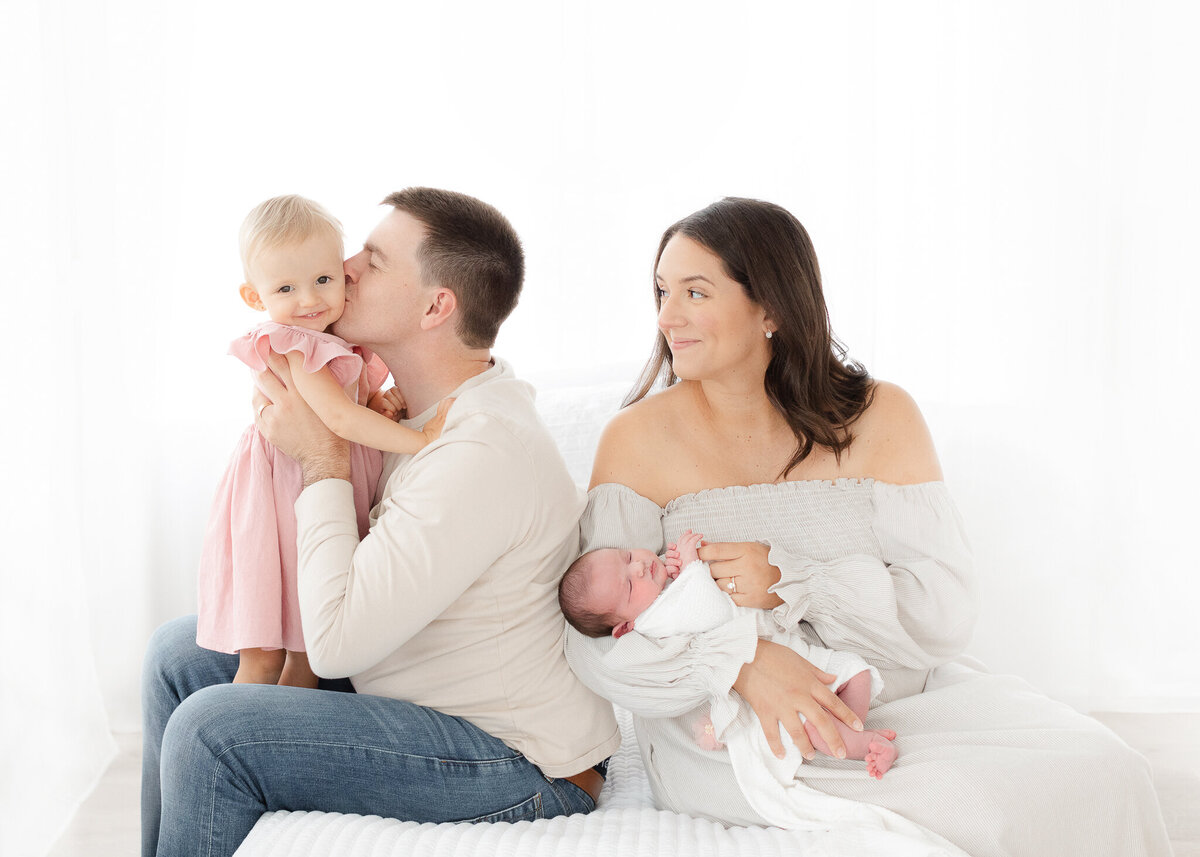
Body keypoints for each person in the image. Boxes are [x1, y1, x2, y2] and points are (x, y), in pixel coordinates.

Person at [563, 197, 1173, 856]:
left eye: (694, 291)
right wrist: (742, 662)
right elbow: (595, 640)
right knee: (981, 813)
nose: (665, 317)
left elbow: (941, 615)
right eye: (661, 291)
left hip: (899, 695)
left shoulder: (883, 417)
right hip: (742, 731)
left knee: (1109, 773)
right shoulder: (638, 439)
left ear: (770, 306)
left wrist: (795, 580)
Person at [142, 188, 620, 857]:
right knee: (177, 656)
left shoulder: (478, 451)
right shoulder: (425, 407)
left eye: (373, 257)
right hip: (414, 691)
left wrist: (321, 457)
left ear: (435, 305)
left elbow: (334, 644)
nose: (347, 266)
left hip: (519, 759)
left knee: (211, 728)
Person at [195, 194, 449, 688]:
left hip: (315, 487)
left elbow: (352, 409)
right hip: (286, 492)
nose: (309, 300)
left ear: (342, 275)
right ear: (255, 297)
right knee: (266, 656)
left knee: (309, 652)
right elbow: (337, 417)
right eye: (286, 287)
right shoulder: (294, 343)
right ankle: (243, 735)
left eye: (323, 280)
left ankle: (276, 749)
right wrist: (421, 440)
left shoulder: (338, 343)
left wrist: (378, 404)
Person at [560, 528, 897, 778]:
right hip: (770, 671)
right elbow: (709, 610)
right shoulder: (651, 621)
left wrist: (673, 572)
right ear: (625, 627)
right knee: (811, 724)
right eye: (630, 585)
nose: (638, 568)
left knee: (857, 672)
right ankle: (862, 745)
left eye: (627, 557)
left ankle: (854, 725)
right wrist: (691, 567)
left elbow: (684, 594)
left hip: (798, 654)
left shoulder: (656, 594)